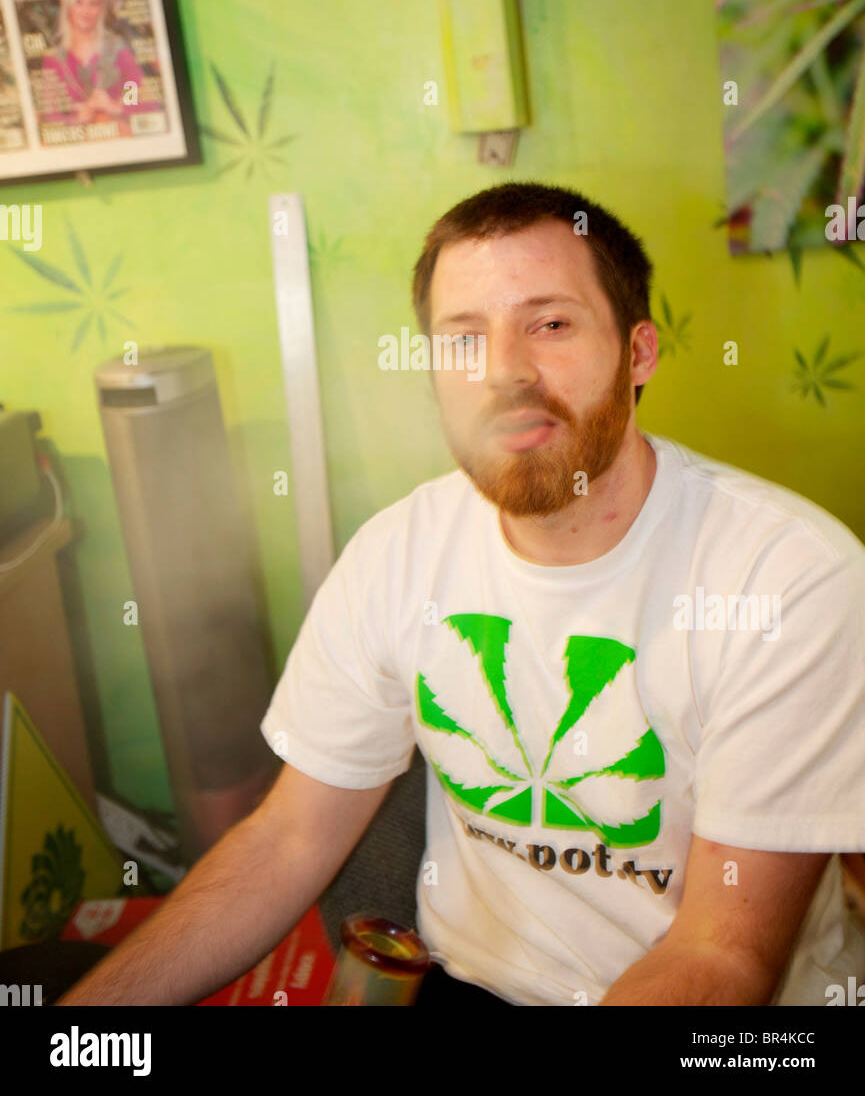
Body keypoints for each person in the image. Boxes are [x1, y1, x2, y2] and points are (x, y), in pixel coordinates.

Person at [56, 181, 865, 1007]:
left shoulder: (788, 580)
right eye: (462, 338)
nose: (505, 372)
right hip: (465, 983)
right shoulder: (396, 554)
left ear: (639, 351)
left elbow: (721, 956)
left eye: (549, 324)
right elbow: (288, 839)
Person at [38, 0, 160, 132]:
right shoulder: (54, 59)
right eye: (78, 2)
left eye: (93, 3)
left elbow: (138, 96)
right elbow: (51, 117)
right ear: (67, 6)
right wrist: (78, 118)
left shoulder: (117, 50)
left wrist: (115, 107)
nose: (85, 11)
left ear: (101, 9)